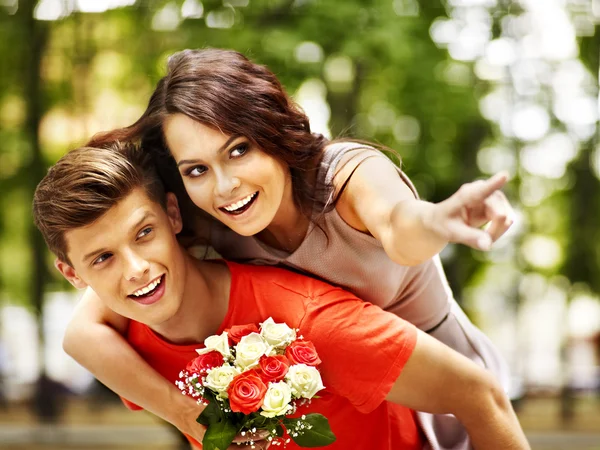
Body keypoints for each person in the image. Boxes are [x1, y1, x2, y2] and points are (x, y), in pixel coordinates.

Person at [64, 48, 514, 449]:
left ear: (270, 129)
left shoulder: (343, 178)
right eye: (196, 169)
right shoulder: (201, 214)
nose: (225, 186)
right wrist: (183, 412)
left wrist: (436, 219)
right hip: (353, 394)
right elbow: (83, 335)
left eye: (238, 150)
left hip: (437, 374)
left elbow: (400, 228)